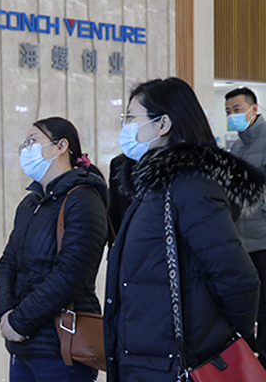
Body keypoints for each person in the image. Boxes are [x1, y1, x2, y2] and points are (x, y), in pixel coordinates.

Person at [104, 77, 262, 381]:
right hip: (145, 359)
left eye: (132, 118)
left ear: (163, 124)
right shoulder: (152, 187)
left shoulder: (190, 186)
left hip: (176, 362)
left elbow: (238, 278)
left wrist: (224, 342)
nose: (126, 127)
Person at [0, 117, 109, 382]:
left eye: (33, 141)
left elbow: (71, 273)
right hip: (22, 344)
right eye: (24, 144)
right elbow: (8, 261)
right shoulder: (30, 203)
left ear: (61, 146)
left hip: (61, 347)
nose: (26, 149)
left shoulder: (84, 199)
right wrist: (4, 313)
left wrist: (20, 321)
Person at [225, 87, 266, 368]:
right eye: (228, 111)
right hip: (241, 239)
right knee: (247, 301)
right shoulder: (236, 147)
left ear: (254, 109)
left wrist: (253, 205)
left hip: (263, 238)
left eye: (237, 110)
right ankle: (249, 357)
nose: (232, 116)